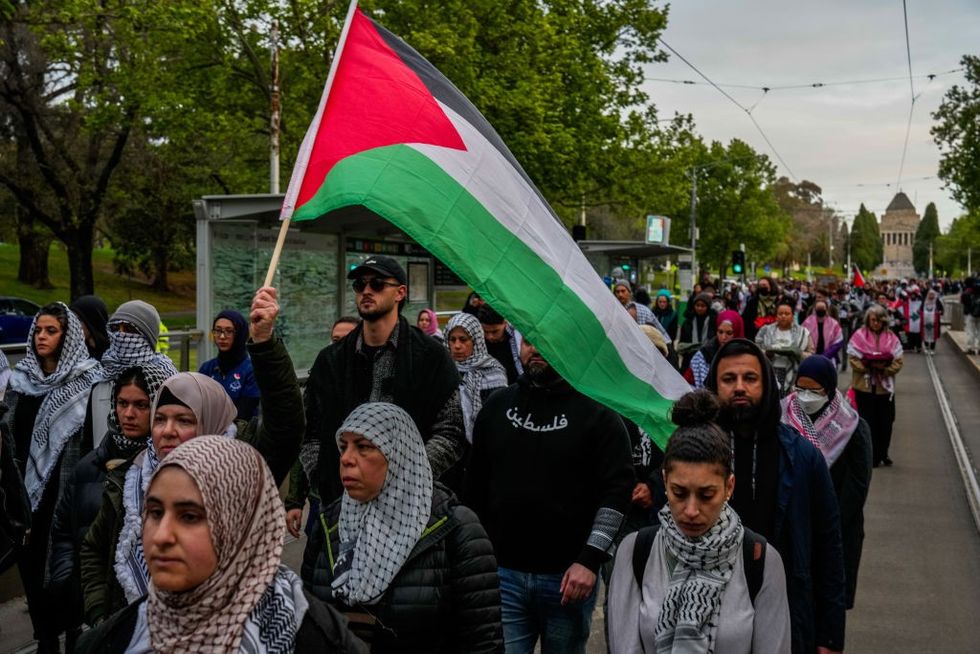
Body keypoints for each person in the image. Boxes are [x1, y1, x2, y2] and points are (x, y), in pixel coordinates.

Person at [80, 286, 304, 625]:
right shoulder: (130, 479)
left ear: (209, 423)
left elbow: (286, 426)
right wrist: (102, 617)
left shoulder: (238, 465)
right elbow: (94, 550)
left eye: (184, 420)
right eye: (160, 419)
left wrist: (265, 342)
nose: (168, 430)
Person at [76, 436, 366, 653]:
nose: (162, 536)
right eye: (154, 512)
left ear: (241, 526)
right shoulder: (114, 638)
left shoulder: (314, 637)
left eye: (189, 517)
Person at [464, 338, 633, 653]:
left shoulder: (599, 414)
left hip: (568, 581)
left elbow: (617, 493)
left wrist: (589, 559)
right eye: (528, 340)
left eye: (546, 340)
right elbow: (474, 490)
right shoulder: (497, 407)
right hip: (503, 578)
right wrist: (478, 562)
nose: (535, 348)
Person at [303, 403, 502, 652]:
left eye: (363, 447)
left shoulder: (455, 529)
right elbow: (307, 623)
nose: (346, 458)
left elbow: (483, 643)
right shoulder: (329, 523)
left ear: (399, 454)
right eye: (343, 447)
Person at [608, 390, 791, 654]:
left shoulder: (760, 560)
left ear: (729, 486)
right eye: (679, 493)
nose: (691, 510)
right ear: (664, 481)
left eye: (706, 495)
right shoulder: (636, 552)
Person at [705, 338, 845, 654]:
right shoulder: (694, 452)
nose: (739, 387)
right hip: (708, 615)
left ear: (767, 384)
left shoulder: (803, 456)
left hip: (785, 610)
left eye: (750, 378)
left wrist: (830, 635)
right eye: (729, 379)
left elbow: (828, 545)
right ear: (714, 385)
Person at [301, 255, 465, 511]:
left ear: (400, 292)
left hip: (409, 506)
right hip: (340, 504)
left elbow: (450, 432)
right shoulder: (331, 359)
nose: (366, 291)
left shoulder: (431, 356)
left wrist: (409, 480)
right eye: (359, 285)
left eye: (377, 284)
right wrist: (324, 481)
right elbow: (310, 432)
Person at [47, 361, 175, 646]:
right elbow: (64, 533)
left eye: (141, 405)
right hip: (96, 613)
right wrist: (73, 585)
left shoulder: (169, 467)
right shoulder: (89, 466)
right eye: (122, 403)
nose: (128, 414)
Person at [2, 303, 105, 652]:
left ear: (68, 336)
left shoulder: (89, 379)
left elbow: (95, 438)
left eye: (51, 331)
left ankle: (74, 630)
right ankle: (45, 636)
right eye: (38, 331)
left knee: (64, 564)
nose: (41, 337)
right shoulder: (20, 380)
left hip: (65, 490)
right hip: (24, 490)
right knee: (30, 564)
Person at [782, 356, 872, 610]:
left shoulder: (851, 426)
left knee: (827, 601)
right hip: (792, 525)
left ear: (829, 390)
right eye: (800, 388)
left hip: (836, 529)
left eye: (814, 390)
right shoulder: (784, 417)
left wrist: (829, 522)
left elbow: (857, 485)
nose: (806, 396)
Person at [85, 300, 177, 452]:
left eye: (128, 329)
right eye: (115, 328)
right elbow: (88, 439)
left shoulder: (166, 381)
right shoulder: (100, 379)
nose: (121, 335)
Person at [847, 305, 904, 468]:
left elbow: (899, 361)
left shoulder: (892, 337)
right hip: (864, 387)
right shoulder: (858, 336)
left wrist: (885, 369)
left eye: (879, 320)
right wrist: (866, 367)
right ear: (868, 320)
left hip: (884, 388)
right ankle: (869, 454)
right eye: (873, 320)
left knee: (885, 422)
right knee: (867, 422)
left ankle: (882, 452)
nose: (876, 323)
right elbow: (852, 357)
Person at [444, 312, 508, 443]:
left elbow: (497, 415)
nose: (457, 346)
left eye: (463, 340)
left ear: (476, 340)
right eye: (452, 340)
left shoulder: (492, 371)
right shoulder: (443, 369)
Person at [198, 309, 261, 421]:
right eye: (218, 330)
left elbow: (246, 412)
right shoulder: (207, 368)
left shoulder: (251, 370)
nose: (222, 336)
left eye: (229, 331)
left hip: (240, 433)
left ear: (240, 334)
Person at [755, 298, 814, 396]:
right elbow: (756, 350)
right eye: (780, 314)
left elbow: (811, 356)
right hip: (770, 374)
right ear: (776, 316)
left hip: (794, 375)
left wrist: (798, 353)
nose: (783, 316)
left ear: (792, 316)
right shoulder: (765, 331)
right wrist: (766, 353)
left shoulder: (803, 333)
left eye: (787, 314)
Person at [689, 310, 744, 388]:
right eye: (720, 332)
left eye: (729, 333)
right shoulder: (704, 355)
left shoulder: (747, 356)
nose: (723, 337)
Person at [477, 304, 524, 384]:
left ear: (505, 323)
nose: (490, 337)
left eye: (495, 331)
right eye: (485, 331)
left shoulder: (518, 337)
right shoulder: (477, 340)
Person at [678, 293, 715, 371]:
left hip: (709, 359)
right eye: (697, 305)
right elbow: (682, 343)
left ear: (708, 307)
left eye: (703, 306)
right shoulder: (688, 322)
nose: (700, 308)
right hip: (690, 360)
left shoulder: (713, 321)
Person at [70, 295, 110, 361]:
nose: (74, 324)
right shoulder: (73, 351)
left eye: (79, 320)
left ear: (92, 322)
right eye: (72, 319)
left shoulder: (111, 355)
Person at [920, 288, 943, 354]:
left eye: (932, 294)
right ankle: (927, 346)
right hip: (925, 321)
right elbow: (921, 309)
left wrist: (940, 311)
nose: (931, 296)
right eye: (930, 294)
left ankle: (933, 348)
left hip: (934, 322)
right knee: (925, 334)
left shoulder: (937, 301)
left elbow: (941, 309)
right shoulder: (924, 301)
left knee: (933, 335)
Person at [961, 277, 979, 355]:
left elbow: (963, 302)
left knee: (970, 331)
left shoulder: (966, 292)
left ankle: (970, 348)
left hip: (970, 314)